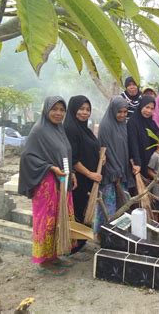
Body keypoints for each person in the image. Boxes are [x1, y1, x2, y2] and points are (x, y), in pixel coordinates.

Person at [19, 96, 77, 275]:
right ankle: (44, 262)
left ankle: (53, 256)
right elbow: (27, 156)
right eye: (55, 109)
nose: (58, 113)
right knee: (47, 220)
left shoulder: (59, 130)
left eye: (62, 110)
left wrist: (71, 173)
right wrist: (51, 167)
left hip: (62, 180)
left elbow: (64, 153)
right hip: (46, 184)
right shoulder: (38, 131)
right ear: (46, 110)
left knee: (59, 219)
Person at [64, 95, 101, 254]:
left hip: (89, 178)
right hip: (79, 179)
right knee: (78, 212)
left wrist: (100, 160)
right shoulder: (70, 129)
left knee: (86, 212)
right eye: (81, 109)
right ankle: (73, 248)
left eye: (87, 109)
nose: (84, 113)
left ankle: (81, 244)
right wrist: (90, 174)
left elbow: (89, 150)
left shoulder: (84, 128)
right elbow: (74, 159)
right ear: (73, 109)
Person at [95, 96, 134, 234]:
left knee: (120, 205)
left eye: (125, 112)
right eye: (120, 112)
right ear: (113, 111)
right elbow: (107, 151)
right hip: (110, 174)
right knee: (107, 208)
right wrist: (115, 171)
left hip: (121, 172)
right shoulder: (106, 126)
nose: (123, 115)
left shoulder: (122, 124)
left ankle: (115, 234)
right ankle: (103, 234)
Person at [127, 95, 159, 181]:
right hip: (138, 165)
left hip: (151, 165)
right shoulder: (132, 123)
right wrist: (137, 163)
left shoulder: (151, 123)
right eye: (147, 107)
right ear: (141, 106)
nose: (149, 111)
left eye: (152, 109)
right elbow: (133, 144)